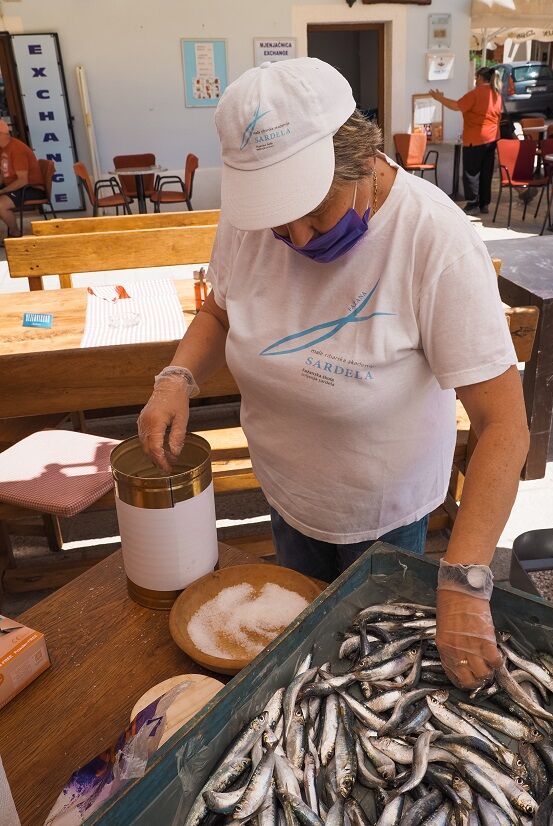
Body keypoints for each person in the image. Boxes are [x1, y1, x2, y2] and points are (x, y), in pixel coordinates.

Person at [138, 58, 529, 690]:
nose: (292, 234)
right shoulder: (250, 227)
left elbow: (505, 425)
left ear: (362, 160)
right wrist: (176, 379)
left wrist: (464, 579)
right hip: (288, 495)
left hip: (384, 511)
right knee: (308, 667)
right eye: (275, 219)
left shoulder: (432, 239)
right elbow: (219, 308)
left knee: (374, 676)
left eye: (311, 211)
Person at [430, 66, 503, 216]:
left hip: (475, 139)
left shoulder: (476, 93)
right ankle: (484, 204)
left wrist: (439, 98)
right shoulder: (496, 94)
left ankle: (473, 203)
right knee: (486, 172)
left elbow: (457, 106)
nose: (475, 80)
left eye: (476, 78)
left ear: (481, 78)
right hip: (492, 138)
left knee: (471, 172)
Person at [0, 120, 45, 239]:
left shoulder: (17, 150)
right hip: (16, 186)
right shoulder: (3, 148)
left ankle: (15, 234)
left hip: (31, 188)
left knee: (1, 205)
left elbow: (22, 180)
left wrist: (2, 191)